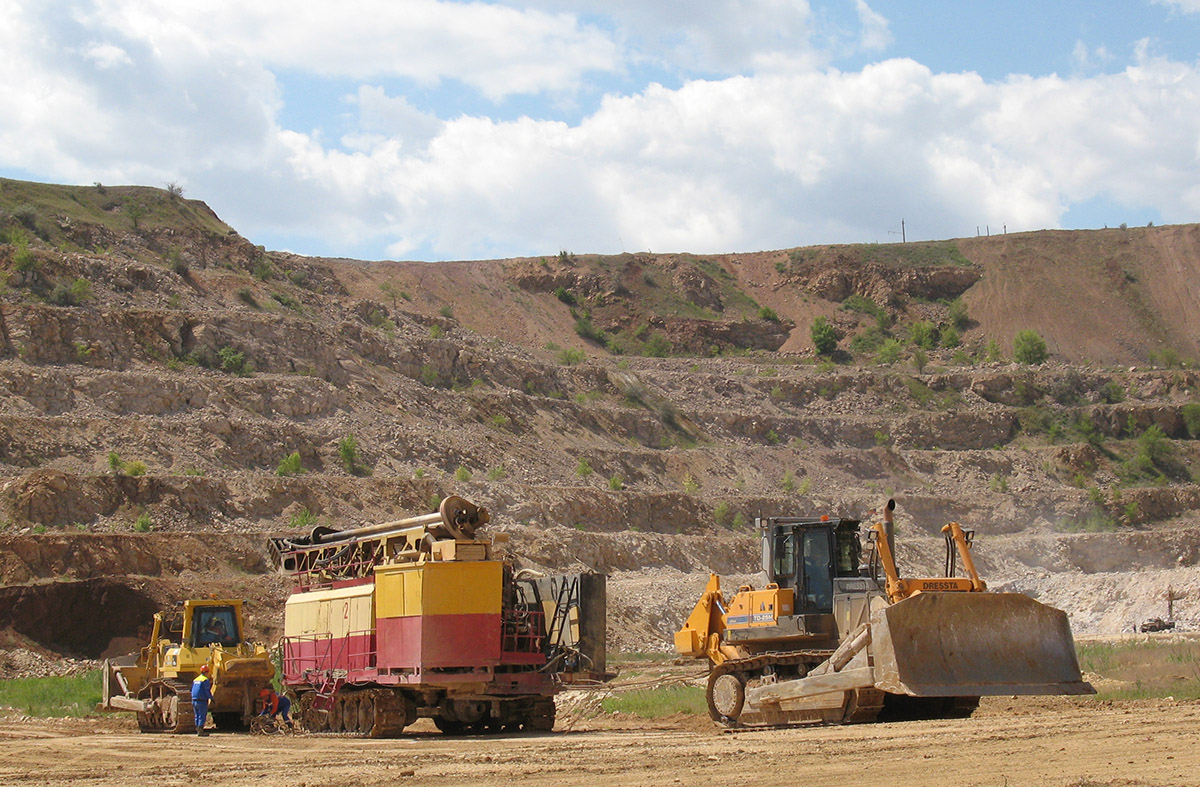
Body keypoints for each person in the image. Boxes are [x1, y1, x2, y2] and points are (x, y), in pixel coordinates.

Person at [191, 665, 213, 736]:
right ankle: (201, 731)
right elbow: (207, 691)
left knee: (197, 715)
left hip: (194, 700)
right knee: (202, 715)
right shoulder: (205, 680)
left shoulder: (196, 679)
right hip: (202, 700)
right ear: (207, 672)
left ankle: (197, 729)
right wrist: (211, 698)